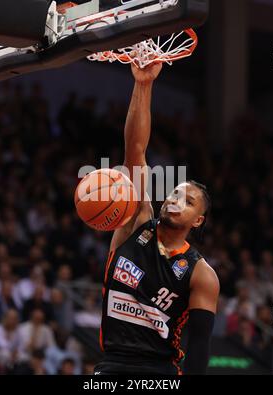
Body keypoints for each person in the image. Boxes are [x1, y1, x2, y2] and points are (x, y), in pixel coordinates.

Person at [94, 63, 219, 375]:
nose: (176, 201)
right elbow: (135, 151)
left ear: (198, 221)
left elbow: (200, 347)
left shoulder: (201, 274)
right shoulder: (135, 222)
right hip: (110, 365)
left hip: (158, 372)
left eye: (188, 201)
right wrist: (144, 85)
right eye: (175, 194)